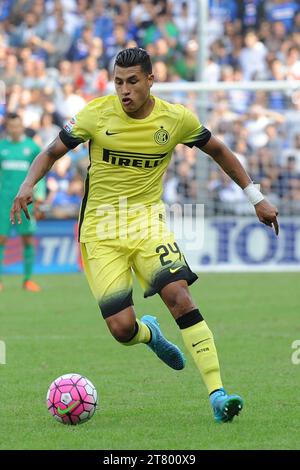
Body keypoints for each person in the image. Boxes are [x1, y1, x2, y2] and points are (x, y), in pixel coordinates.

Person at [10, 48, 279, 422]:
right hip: (100, 232)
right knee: (122, 330)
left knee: (179, 296)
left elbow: (218, 149)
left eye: (132, 81)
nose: (124, 90)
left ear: (150, 80)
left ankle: (218, 394)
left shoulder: (175, 118)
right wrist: (27, 184)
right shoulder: (95, 113)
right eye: (118, 82)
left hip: (147, 224)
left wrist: (256, 197)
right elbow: (51, 152)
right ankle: (149, 334)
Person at [0, 113, 44, 292]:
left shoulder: (32, 147)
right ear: (7, 127)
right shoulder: (2, 147)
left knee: (27, 239)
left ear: (22, 126)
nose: (15, 129)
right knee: (1, 239)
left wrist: (39, 197)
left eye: (18, 126)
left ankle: (27, 280)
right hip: (3, 201)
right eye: (12, 126)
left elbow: (41, 174)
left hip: (27, 202)